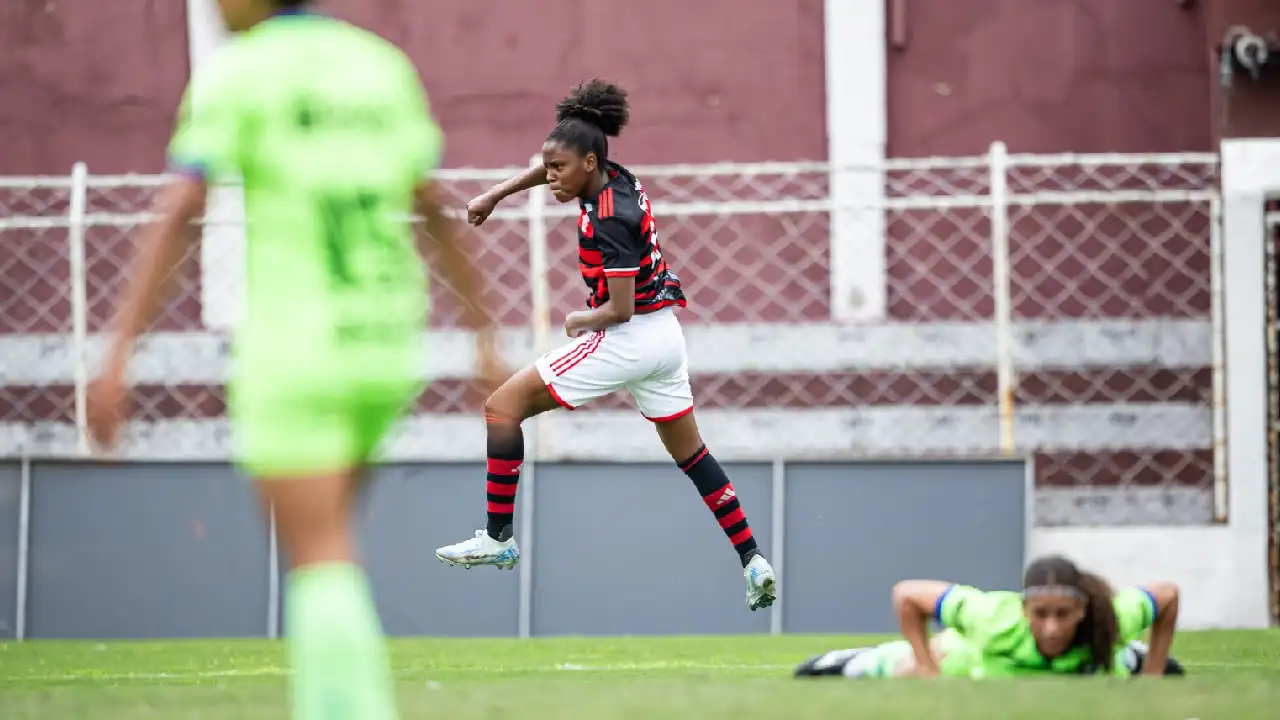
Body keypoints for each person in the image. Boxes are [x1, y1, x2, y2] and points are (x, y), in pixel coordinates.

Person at [85, 2, 504, 718]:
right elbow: (433, 202)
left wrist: (119, 351)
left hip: (297, 347)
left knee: (319, 557)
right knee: (334, 540)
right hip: (383, 339)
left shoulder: (239, 73)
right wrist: (485, 342)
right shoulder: (377, 66)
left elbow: (184, 206)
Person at [433, 79, 778, 611]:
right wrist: (497, 194)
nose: (550, 179)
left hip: (628, 334)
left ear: (588, 164)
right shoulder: (613, 177)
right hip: (665, 337)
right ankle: (753, 559)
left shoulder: (612, 219)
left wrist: (578, 318)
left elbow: (617, 309)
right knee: (692, 455)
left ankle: (497, 539)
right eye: (547, 168)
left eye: (558, 170)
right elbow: (553, 165)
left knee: (502, 407)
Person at [794, 555, 1182, 679]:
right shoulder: (991, 619)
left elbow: (1167, 595)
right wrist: (929, 674)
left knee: (1112, 660)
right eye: (1040, 614)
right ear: (1023, 609)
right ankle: (853, 661)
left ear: (1082, 610)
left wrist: (1154, 676)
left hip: (1090, 656)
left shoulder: (1109, 618)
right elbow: (907, 594)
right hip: (978, 660)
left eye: (1063, 615)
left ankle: (1132, 658)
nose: (1051, 627)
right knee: (912, 666)